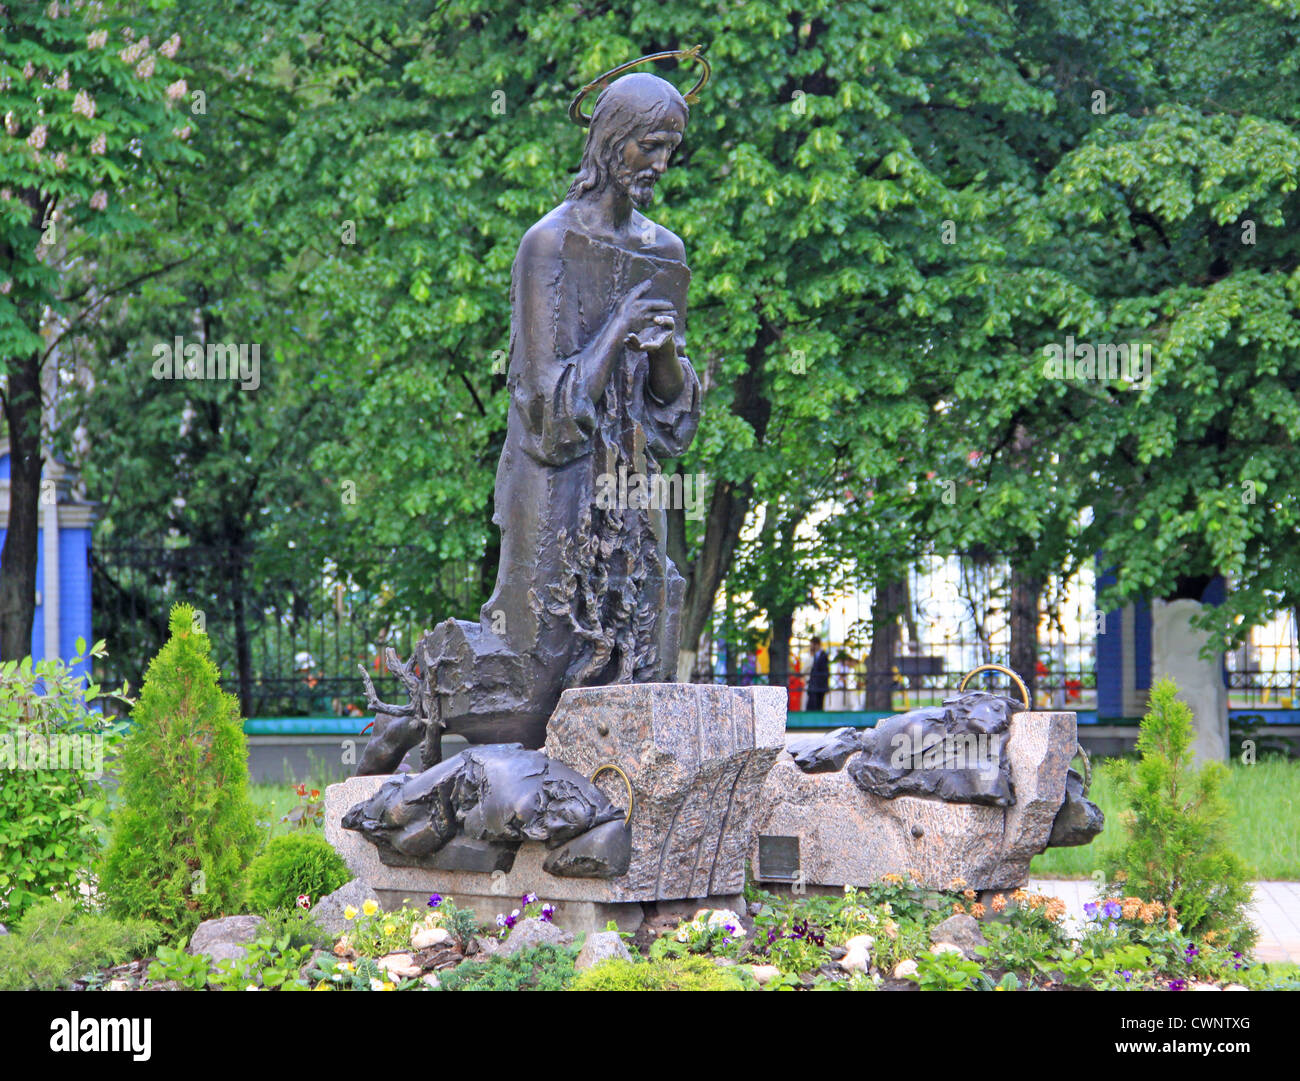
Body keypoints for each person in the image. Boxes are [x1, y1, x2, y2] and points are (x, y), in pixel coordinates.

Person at [806, 636, 830, 711]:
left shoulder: (823, 656)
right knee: (812, 706)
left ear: (816, 645)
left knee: (818, 706)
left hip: (819, 685)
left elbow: (823, 671)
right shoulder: (815, 655)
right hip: (814, 685)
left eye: (812, 645)